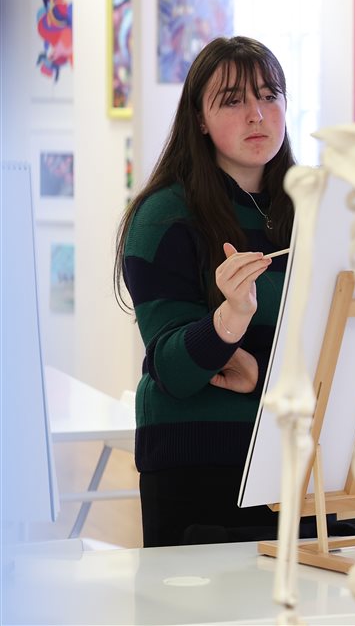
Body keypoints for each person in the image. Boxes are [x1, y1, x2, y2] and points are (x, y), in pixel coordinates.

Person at [114, 36, 295, 547]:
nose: (256, 114)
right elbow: (172, 368)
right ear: (199, 119)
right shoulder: (163, 217)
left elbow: (335, 342)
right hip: (202, 466)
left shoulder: (315, 209)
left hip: (303, 459)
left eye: (269, 96)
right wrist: (230, 319)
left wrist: (256, 372)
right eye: (232, 101)